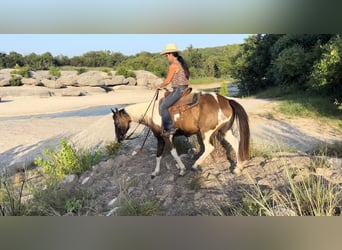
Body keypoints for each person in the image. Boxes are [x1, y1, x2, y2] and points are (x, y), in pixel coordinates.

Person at [156, 43, 190, 136]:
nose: (167, 57)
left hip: (179, 90)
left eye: (167, 55)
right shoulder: (181, 63)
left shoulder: (173, 65)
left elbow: (167, 81)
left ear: (171, 54)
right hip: (184, 88)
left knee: (163, 106)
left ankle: (170, 128)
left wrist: (159, 85)